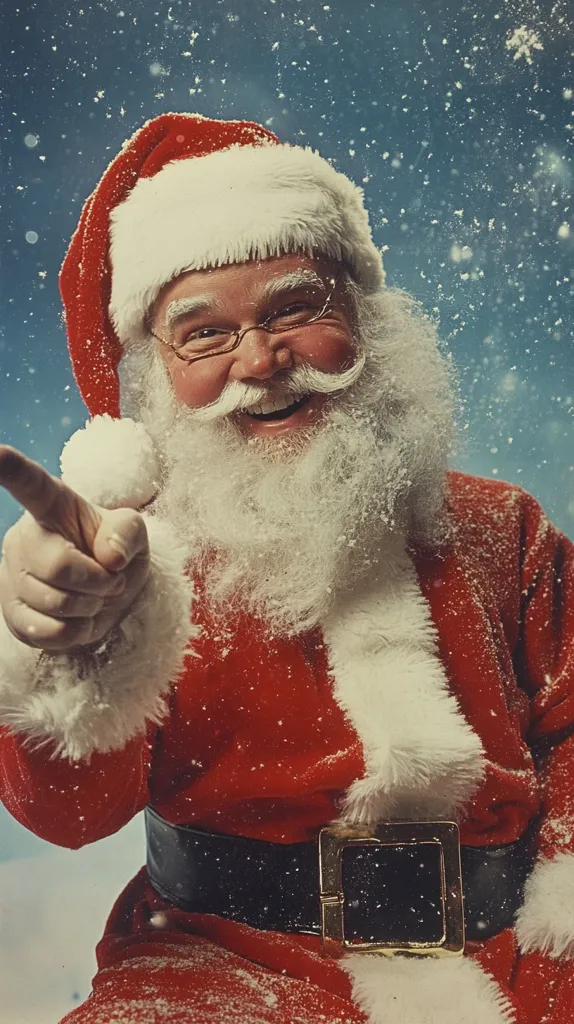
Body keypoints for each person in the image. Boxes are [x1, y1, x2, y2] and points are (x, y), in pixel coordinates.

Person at [0, 112, 573, 1024]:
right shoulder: (134, 570)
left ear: (362, 315)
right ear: (153, 371)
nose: (261, 363)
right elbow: (67, 819)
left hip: (525, 949)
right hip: (221, 966)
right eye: (204, 336)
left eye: (295, 309)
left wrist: (560, 912)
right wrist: (71, 651)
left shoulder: (505, 529)